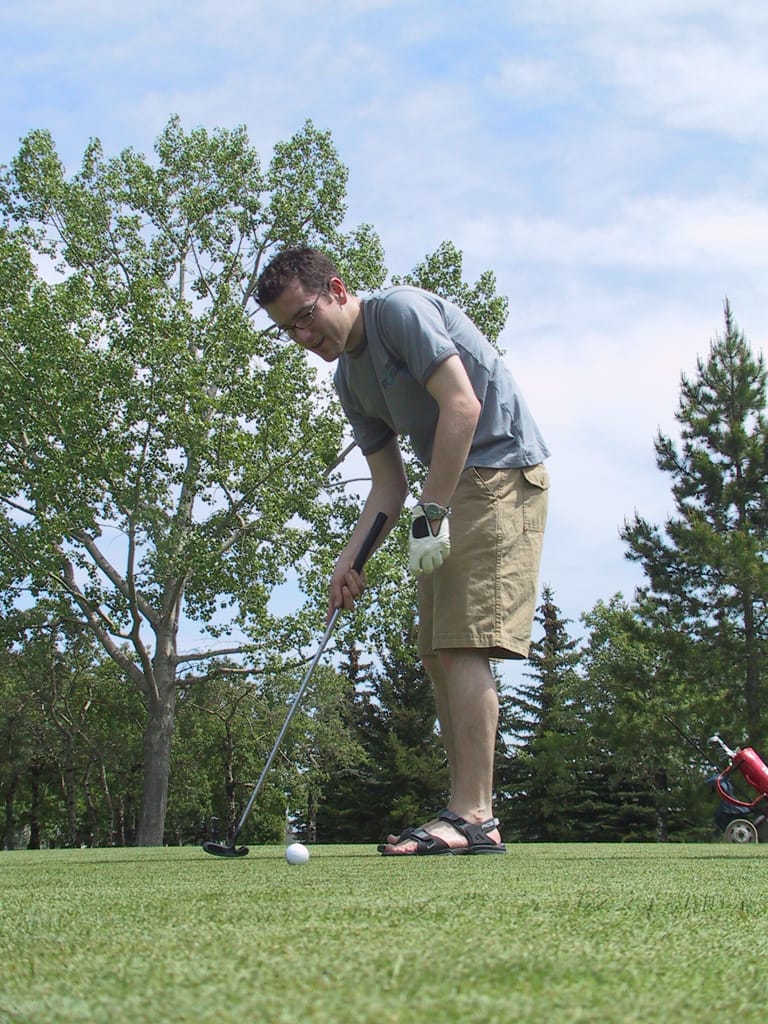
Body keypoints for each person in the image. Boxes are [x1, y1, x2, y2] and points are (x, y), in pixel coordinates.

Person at [256, 247, 550, 856]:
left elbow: (463, 406)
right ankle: (464, 809)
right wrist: (350, 558)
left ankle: (475, 816)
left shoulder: (400, 312)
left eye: (307, 317)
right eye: (289, 330)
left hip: (498, 469)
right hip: (446, 488)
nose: (303, 336)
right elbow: (388, 484)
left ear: (337, 289)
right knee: (436, 652)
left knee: (462, 643)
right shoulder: (348, 378)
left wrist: (433, 513)